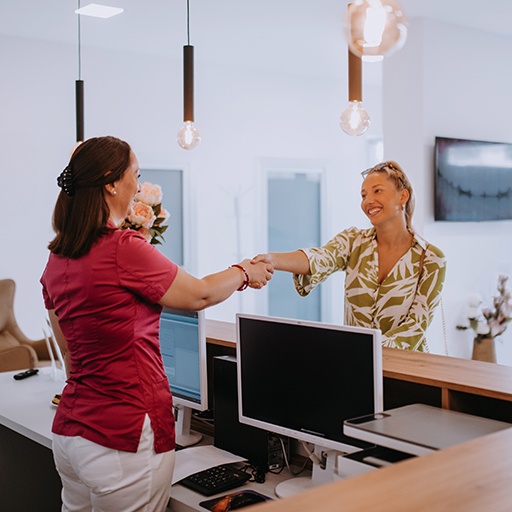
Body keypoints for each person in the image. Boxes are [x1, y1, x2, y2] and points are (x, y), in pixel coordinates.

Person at [40, 136, 273, 512]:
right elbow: (198, 294)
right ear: (111, 182)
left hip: (72, 435)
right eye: (136, 174)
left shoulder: (58, 258)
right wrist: (244, 271)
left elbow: (68, 350)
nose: (137, 184)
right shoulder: (121, 247)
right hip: (122, 436)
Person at [252, 161, 446, 352]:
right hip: (358, 365)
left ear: (403, 196)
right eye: (363, 195)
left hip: (407, 372)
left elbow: (415, 327)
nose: (368, 201)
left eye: (377, 191)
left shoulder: (431, 259)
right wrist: (272, 259)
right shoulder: (353, 241)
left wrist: (363, 352)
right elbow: (319, 258)